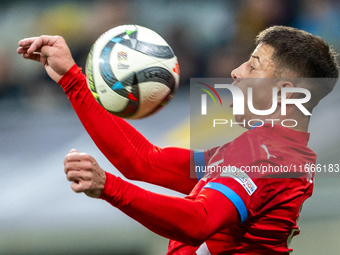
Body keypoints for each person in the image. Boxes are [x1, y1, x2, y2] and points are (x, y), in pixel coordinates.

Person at [17, 26, 338, 255]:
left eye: (253, 65)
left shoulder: (271, 158)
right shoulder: (261, 150)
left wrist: (108, 187)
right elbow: (144, 161)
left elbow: (199, 221)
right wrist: (71, 78)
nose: (237, 72)